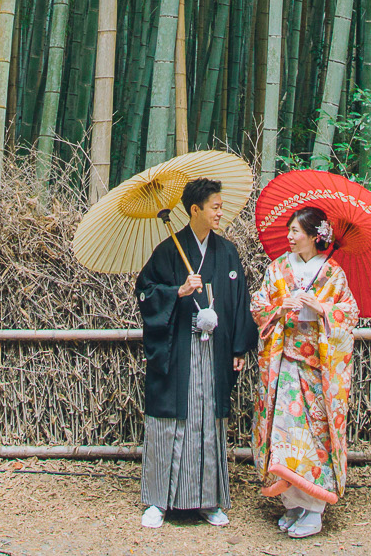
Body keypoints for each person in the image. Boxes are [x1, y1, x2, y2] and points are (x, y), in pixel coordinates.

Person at [134, 176, 258, 529]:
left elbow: (239, 303)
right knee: (171, 420)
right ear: (194, 210)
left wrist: (238, 347)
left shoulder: (228, 252)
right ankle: (158, 500)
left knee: (208, 420)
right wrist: (178, 291)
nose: (220, 213)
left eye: (220, 207)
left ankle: (207, 501)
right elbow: (145, 291)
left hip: (215, 350)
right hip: (178, 349)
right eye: (214, 207)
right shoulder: (169, 250)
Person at [250, 206, 356, 539]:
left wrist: (321, 307)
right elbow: (258, 305)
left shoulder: (333, 273)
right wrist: (281, 307)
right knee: (283, 434)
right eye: (290, 230)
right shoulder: (278, 268)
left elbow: (349, 313)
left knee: (314, 437)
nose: (290, 237)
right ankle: (292, 503)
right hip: (285, 366)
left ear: (314, 236)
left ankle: (313, 509)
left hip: (318, 371)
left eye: (296, 231)